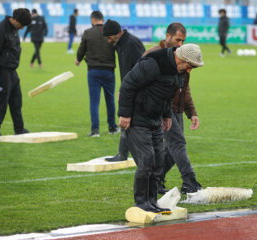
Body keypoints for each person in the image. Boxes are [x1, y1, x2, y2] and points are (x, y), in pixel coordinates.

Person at [118, 44, 203, 213]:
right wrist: (125, 114)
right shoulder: (153, 63)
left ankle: (151, 201)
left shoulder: (178, 72)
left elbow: (167, 95)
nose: (190, 70)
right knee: (147, 160)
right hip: (137, 117)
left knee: (157, 162)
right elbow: (127, 85)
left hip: (155, 118)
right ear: (182, 59)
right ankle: (140, 202)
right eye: (190, 65)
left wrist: (166, 116)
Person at [143, 23, 202, 195]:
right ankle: (190, 182)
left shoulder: (183, 55)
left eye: (183, 40)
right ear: (167, 36)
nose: (180, 44)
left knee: (171, 148)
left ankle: (156, 181)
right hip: (162, 109)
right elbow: (140, 82)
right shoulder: (153, 55)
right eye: (177, 40)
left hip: (177, 109)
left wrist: (192, 113)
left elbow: (185, 87)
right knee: (177, 143)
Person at [102, 19, 145, 162]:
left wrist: (131, 89)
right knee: (125, 121)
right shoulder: (120, 44)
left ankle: (129, 154)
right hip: (128, 89)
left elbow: (143, 68)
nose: (108, 41)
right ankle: (123, 154)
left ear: (116, 33)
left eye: (109, 37)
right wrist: (123, 89)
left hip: (138, 90)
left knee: (132, 122)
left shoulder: (132, 43)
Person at [0, 8, 32, 140]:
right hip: (2, 71)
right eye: (22, 25)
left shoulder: (14, 28)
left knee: (16, 101)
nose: (23, 28)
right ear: (16, 21)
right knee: (1, 102)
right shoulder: (0, 30)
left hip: (12, 71)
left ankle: (19, 129)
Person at [75, 11, 118, 137]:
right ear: (102, 20)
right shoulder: (110, 32)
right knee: (110, 100)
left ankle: (95, 130)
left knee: (94, 101)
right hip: (109, 70)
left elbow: (81, 49)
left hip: (93, 71)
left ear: (92, 20)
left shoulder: (88, 32)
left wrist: (78, 59)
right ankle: (112, 127)